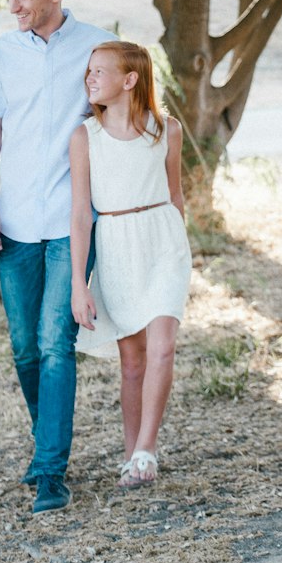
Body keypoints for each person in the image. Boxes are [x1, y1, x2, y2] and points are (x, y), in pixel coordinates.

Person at [0, 0, 111, 514]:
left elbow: (121, 119)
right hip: (18, 224)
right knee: (25, 350)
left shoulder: (98, 48)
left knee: (56, 344)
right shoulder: (0, 54)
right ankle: (45, 442)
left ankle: (51, 468)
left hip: (75, 221)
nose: (14, 6)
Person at [70, 41, 191, 488]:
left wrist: (180, 243)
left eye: (100, 72)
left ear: (130, 79)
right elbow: (81, 214)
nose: (90, 79)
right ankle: (130, 452)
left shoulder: (167, 130)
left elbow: (175, 195)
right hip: (118, 245)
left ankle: (146, 451)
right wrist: (78, 285)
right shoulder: (86, 137)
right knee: (133, 361)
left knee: (162, 346)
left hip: (163, 242)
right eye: (89, 72)